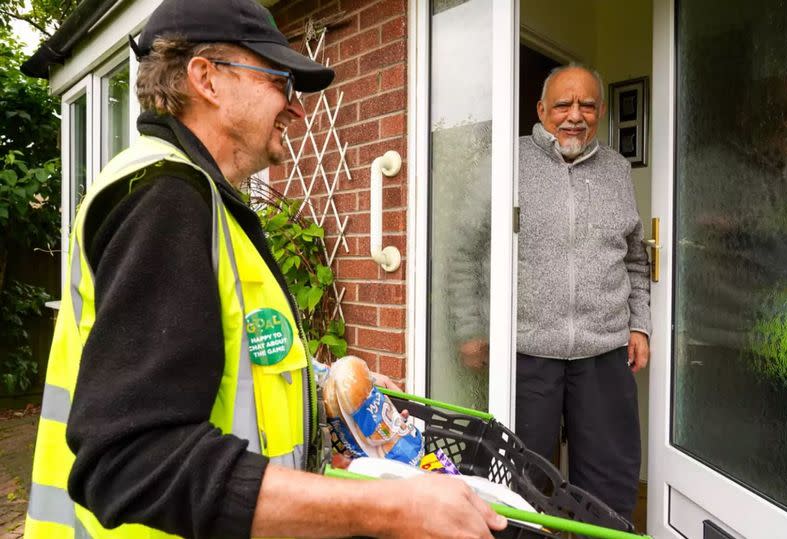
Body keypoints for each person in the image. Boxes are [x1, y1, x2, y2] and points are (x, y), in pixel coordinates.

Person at [24, 1, 507, 538]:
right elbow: (132, 460)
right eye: (280, 81)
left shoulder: (200, 199)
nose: (296, 109)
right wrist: (389, 508)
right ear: (206, 78)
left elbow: (222, 368)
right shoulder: (165, 199)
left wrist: (316, 385)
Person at [457, 65, 651, 523]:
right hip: (526, 350)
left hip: (604, 350)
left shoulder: (618, 170)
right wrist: (470, 326)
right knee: (522, 484)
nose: (574, 116)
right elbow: (466, 251)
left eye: (586, 105)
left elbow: (635, 259)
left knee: (609, 485)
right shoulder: (507, 160)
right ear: (541, 110)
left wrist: (639, 323)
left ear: (600, 112)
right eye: (563, 104)